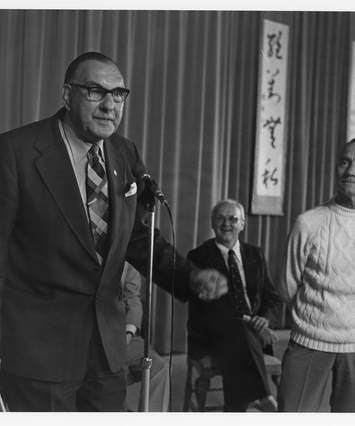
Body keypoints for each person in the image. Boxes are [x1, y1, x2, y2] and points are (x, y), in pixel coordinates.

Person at [0, 51, 228, 412]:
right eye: (95, 91)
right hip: (37, 351)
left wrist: (190, 277)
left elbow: (137, 238)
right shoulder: (15, 152)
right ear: (66, 95)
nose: (110, 105)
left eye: (119, 94)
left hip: (106, 348)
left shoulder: (124, 152)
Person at [277, 139, 355, 412]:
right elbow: (288, 285)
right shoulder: (309, 223)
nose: (351, 171)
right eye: (345, 162)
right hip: (309, 341)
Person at [187, 199, 281, 412]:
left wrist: (264, 318)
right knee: (237, 327)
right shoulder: (198, 256)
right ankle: (263, 395)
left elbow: (272, 297)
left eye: (233, 219)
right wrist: (250, 322)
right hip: (211, 333)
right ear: (212, 224)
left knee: (241, 333)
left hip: (252, 334)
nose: (226, 224)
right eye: (220, 218)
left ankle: (236, 408)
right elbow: (207, 308)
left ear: (243, 224)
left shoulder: (254, 254)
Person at [123, 262, 169, 412]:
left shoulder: (126, 255)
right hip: (88, 338)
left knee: (156, 366)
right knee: (114, 374)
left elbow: (133, 299)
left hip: (124, 338)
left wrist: (129, 332)